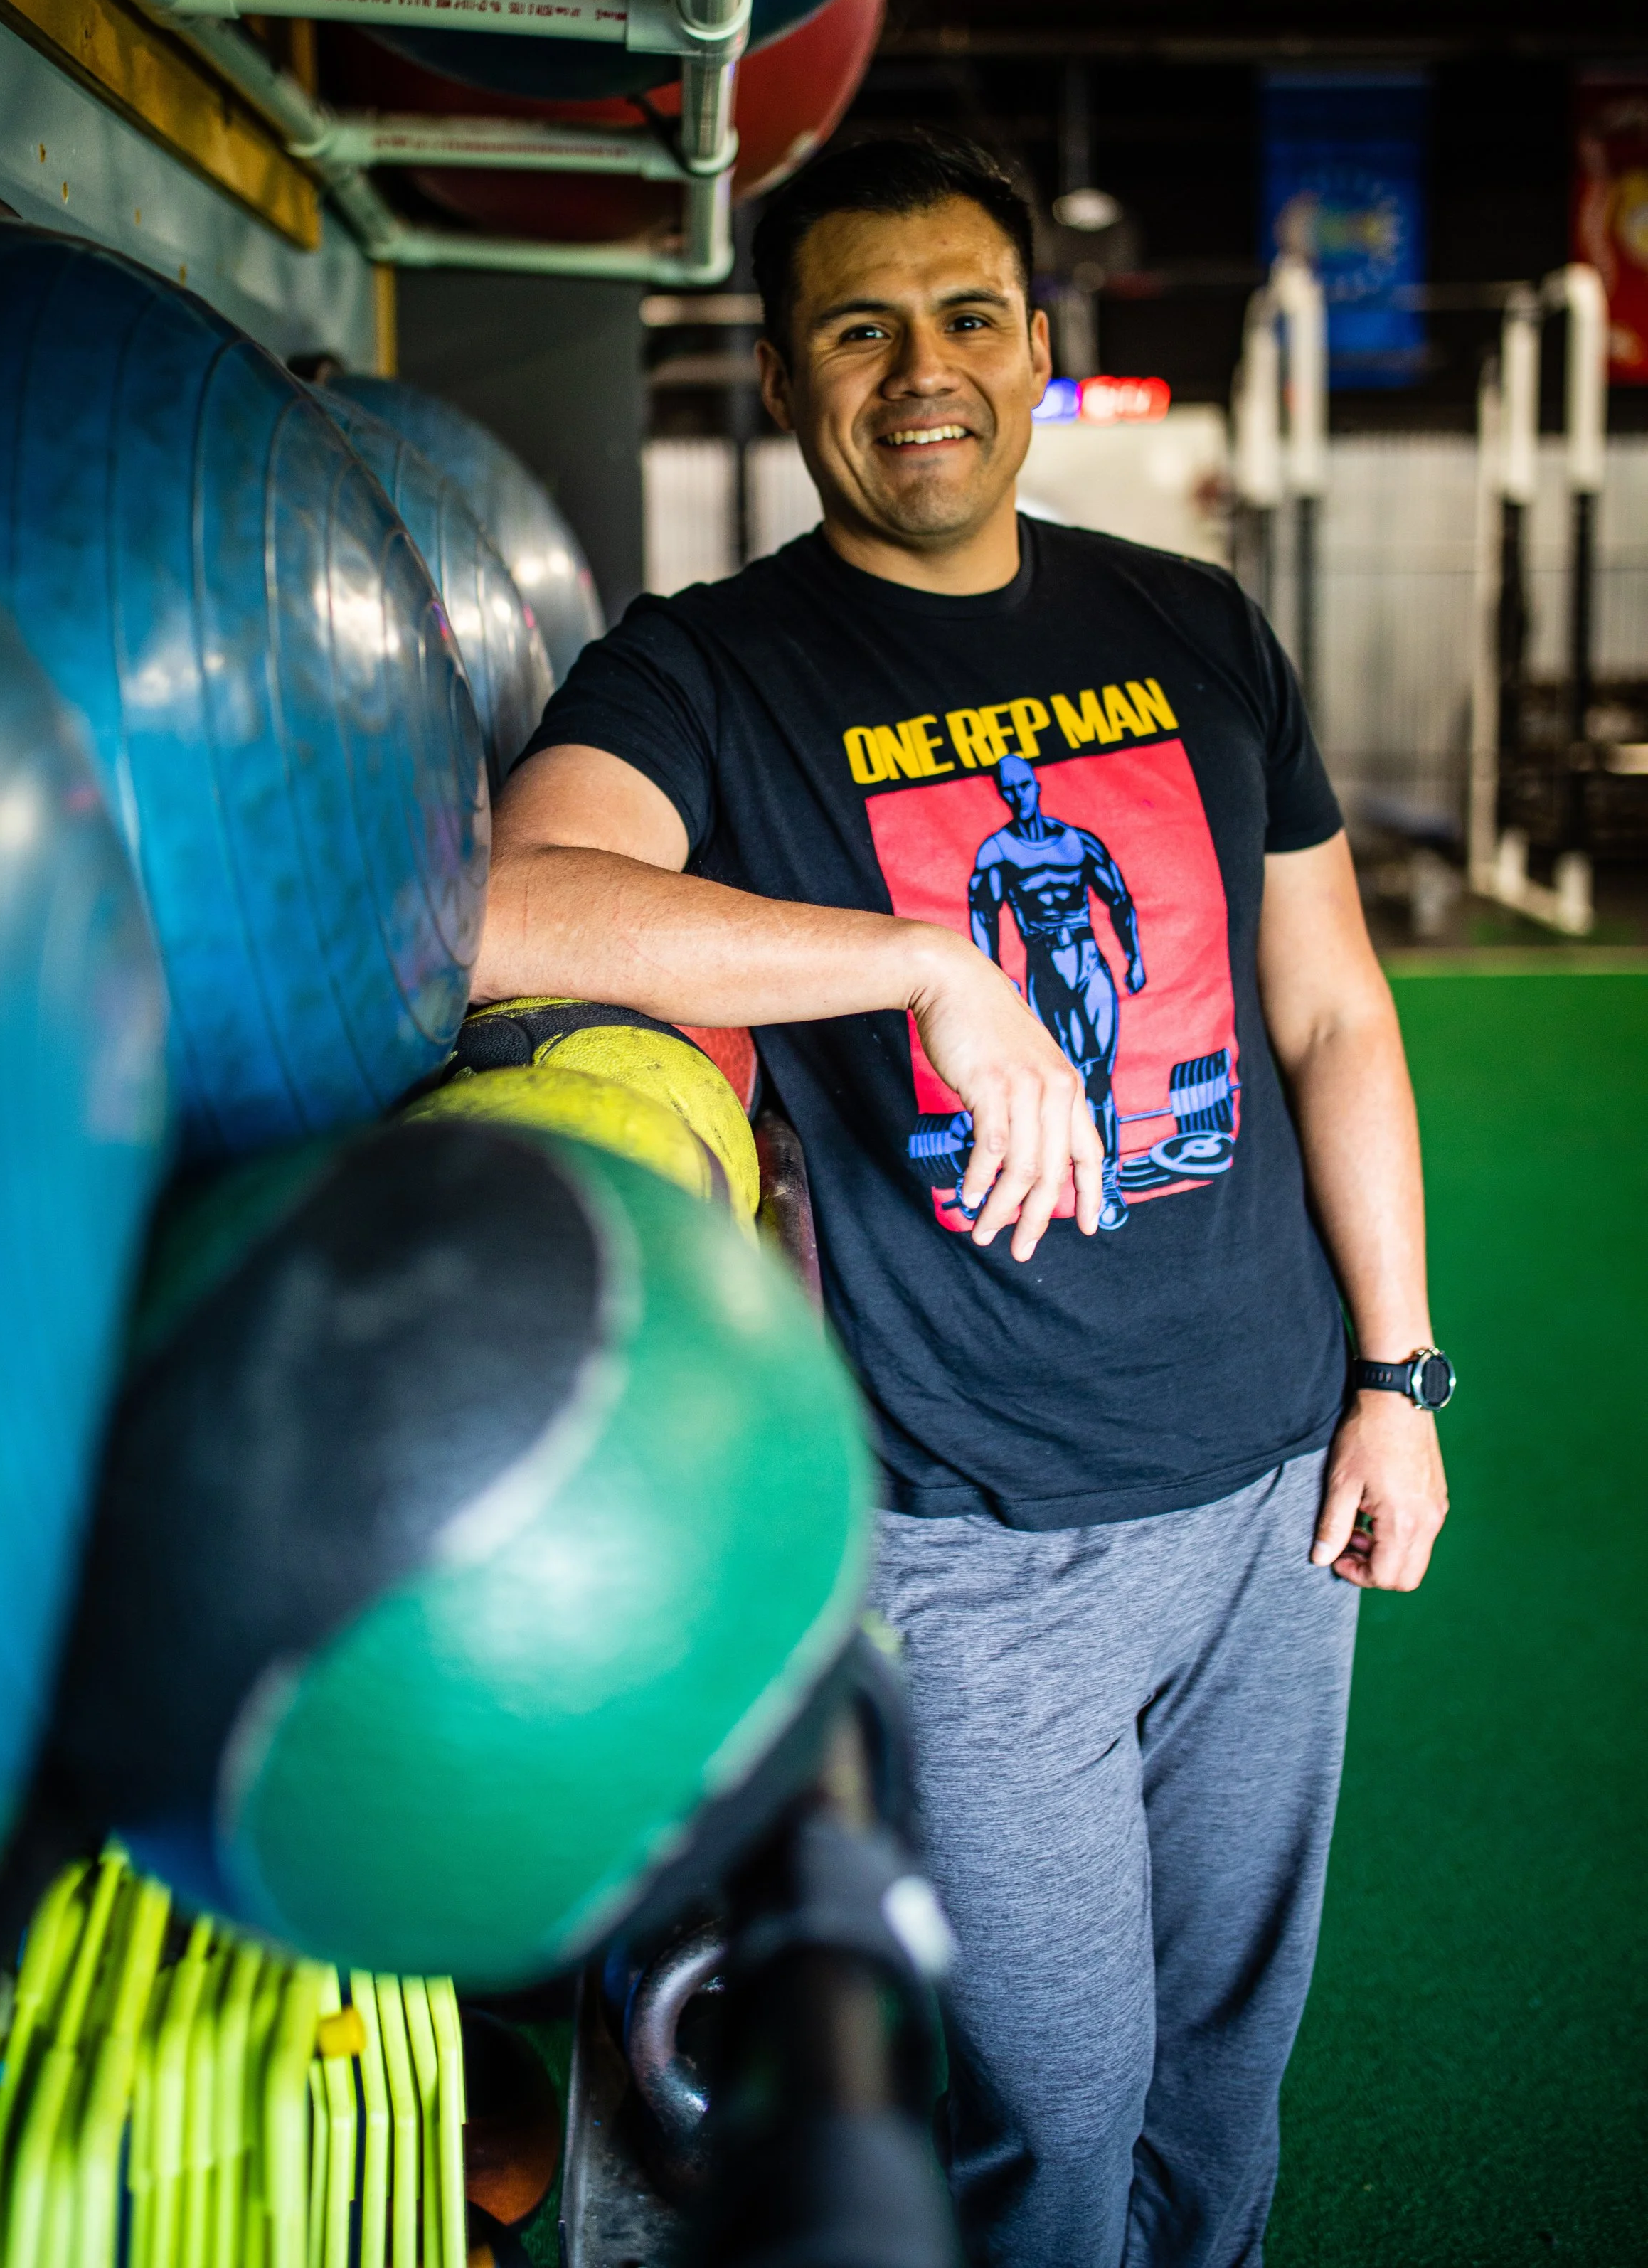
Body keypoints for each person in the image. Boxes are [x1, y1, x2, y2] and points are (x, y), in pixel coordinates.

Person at [476, 132, 1450, 2267]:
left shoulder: (1191, 627)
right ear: (776, 370)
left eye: (962, 316)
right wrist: (918, 960)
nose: (918, 369)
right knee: (1049, 2101)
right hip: (971, 1534)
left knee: (1214, 2071)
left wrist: (1394, 1371)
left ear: (1034, 346)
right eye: (855, 325)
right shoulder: (708, 669)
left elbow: (1329, 1018)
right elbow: (492, 904)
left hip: (1271, 1492)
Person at [969, 752, 1144, 1229]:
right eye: (1007, 790)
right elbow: (982, 915)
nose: (1017, 796)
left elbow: (1119, 897)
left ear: (1035, 786)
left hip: (1089, 962)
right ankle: (1041, 1183)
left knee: (1099, 1078)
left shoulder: (1076, 842)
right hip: (1043, 964)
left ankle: (1107, 1181)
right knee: (1058, 1082)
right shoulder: (997, 853)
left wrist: (1135, 958)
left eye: (1022, 786)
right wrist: (992, 979)